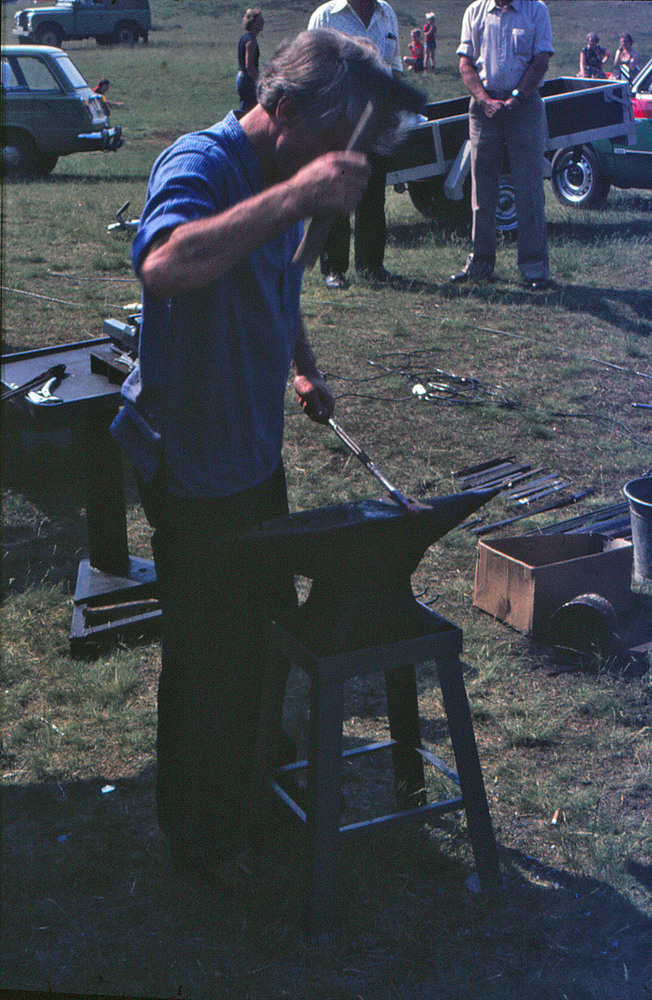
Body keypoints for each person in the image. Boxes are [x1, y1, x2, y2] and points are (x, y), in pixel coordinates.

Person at [110, 28, 402, 883]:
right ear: (283, 110)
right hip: (194, 462)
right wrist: (294, 197)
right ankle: (200, 839)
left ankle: (252, 791)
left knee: (261, 639)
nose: (334, 164)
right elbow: (165, 264)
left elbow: (279, 277)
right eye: (329, 142)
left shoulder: (283, 174)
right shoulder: (199, 163)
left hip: (253, 454)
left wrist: (303, 367)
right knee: (209, 659)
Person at [451, 0, 554, 291]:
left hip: (525, 106)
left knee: (529, 189)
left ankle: (534, 267)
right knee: (482, 191)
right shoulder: (474, 12)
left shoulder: (536, 10)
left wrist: (516, 99)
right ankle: (480, 263)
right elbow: (465, 64)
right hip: (483, 109)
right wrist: (484, 100)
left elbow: (541, 60)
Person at [307, 0, 403, 289]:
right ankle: (334, 269)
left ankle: (371, 266)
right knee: (335, 194)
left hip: (376, 123)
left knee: (373, 197)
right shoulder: (326, 16)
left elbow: (394, 66)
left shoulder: (386, 14)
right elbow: (310, 70)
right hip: (338, 123)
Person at [236, 7, 264, 112]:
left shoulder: (245, 37)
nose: (263, 22)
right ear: (254, 23)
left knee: (246, 109)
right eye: (260, 20)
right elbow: (249, 66)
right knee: (248, 110)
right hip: (247, 80)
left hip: (242, 77)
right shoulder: (251, 41)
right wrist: (259, 81)